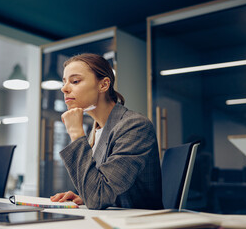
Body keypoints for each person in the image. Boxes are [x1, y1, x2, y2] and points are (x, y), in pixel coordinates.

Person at [50, 53, 163, 210]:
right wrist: (84, 196)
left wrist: (76, 133)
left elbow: (98, 197)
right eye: (64, 82)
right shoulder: (95, 131)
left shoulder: (135, 126)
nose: (64, 88)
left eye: (75, 81)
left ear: (103, 85)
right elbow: (100, 190)